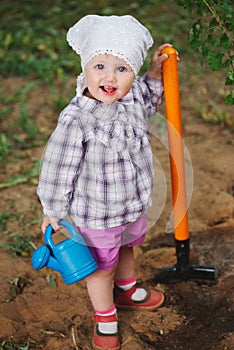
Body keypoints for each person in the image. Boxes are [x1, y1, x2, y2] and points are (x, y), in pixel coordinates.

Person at [37, 14, 171, 350]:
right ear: (85, 69)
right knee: (100, 268)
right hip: (96, 213)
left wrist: (154, 75)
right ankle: (105, 316)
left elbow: (149, 100)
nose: (110, 77)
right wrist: (53, 209)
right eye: (100, 66)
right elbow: (58, 166)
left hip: (132, 203)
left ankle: (126, 289)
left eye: (122, 69)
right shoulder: (77, 118)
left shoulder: (131, 96)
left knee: (127, 246)